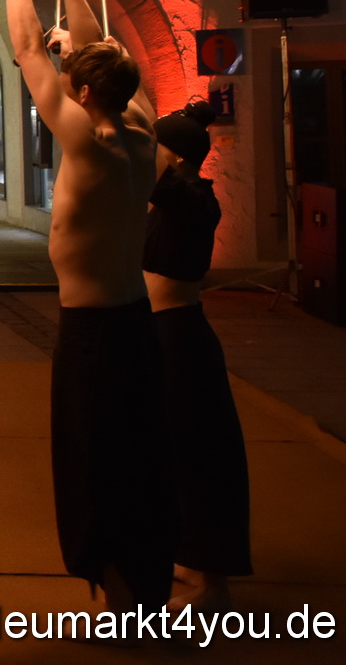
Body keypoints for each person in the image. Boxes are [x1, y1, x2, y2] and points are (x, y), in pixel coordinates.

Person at [0, 0, 173, 613]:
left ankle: (124, 604)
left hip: (94, 334)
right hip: (134, 320)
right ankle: (140, 596)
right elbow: (99, 51)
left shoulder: (89, 140)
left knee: (98, 468)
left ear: (85, 90)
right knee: (139, 459)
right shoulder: (141, 126)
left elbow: (25, 50)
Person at [144, 98, 250, 611]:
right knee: (170, 453)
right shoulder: (172, 198)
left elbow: (133, 149)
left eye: (155, 147)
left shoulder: (193, 197)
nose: (148, 155)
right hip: (161, 335)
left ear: (179, 157)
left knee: (197, 455)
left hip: (180, 338)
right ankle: (188, 554)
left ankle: (214, 579)